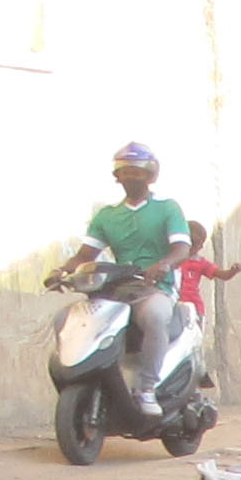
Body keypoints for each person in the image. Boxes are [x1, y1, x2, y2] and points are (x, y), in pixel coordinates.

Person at [65, 143, 192, 410]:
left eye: (139, 172)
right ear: (117, 176)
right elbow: (85, 254)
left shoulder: (167, 209)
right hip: (115, 290)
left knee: (155, 316)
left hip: (154, 288)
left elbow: (182, 249)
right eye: (126, 172)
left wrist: (164, 264)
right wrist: (62, 272)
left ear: (151, 176)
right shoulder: (107, 216)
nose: (132, 177)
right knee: (66, 321)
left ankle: (147, 389)